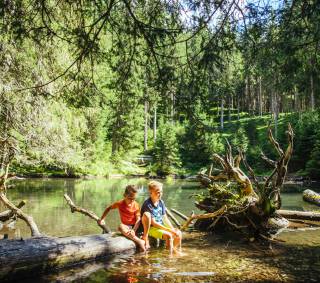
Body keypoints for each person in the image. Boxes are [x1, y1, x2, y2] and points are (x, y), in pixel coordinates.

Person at [98, 185, 145, 251]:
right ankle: (139, 241)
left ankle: (139, 241)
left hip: (135, 226)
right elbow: (109, 208)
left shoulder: (136, 205)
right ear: (124, 195)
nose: (132, 200)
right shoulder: (120, 204)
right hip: (126, 227)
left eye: (134, 198)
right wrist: (102, 218)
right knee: (120, 226)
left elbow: (138, 220)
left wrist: (134, 230)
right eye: (130, 198)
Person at [141, 181, 182, 254]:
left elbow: (165, 218)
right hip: (152, 228)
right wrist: (169, 230)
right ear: (151, 192)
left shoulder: (161, 202)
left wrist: (172, 229)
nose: (160, 194)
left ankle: (172, 250)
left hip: (160, 226)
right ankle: (170, 255)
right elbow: (154, 223)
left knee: (178, 233)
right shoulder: (147, 204)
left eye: (161, 192)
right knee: (169, 235)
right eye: (158, 192)